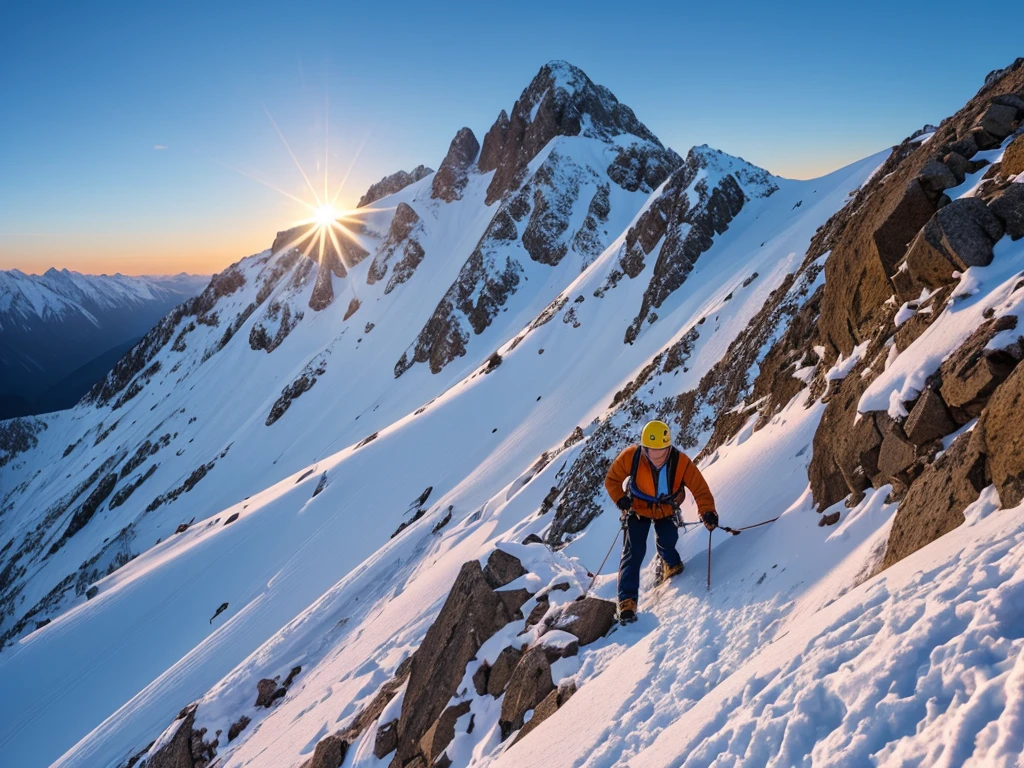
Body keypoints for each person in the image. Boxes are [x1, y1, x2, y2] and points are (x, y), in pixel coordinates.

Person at [604, 419, 718, 622]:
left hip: (666, 509)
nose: (658, 457)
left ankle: (670, 564)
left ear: (669, 447)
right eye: (653, 452)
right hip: (638, 509)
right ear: (644, 448)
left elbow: (699, 488)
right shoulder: (632, 456)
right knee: (634, 551)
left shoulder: (680, 461)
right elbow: (612, 479)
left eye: (663, 451)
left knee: (668, 538)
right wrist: (620, 499)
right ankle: (627, 601)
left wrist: (707, 511)